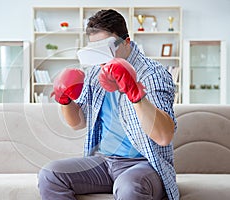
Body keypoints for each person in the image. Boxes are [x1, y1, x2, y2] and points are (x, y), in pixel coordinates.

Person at [38, 9, 179, 200]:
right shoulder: (95, 73)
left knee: (129, 186)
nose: (101, 58)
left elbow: (164, 136)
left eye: (106, 48)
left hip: (145, 165)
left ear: (126, 42)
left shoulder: (154, 74)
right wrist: (65, 100)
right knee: (50, 175)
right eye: (95, 51)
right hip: (103, 162)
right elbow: (77, 123)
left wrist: (135, 93)